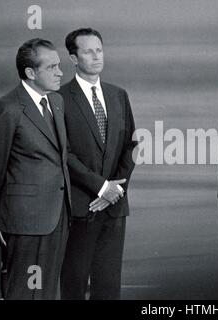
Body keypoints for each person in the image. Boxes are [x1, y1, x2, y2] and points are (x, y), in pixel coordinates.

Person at [0, 38, 71, 299]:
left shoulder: (56, 102)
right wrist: (13, 211)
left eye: (59, 66)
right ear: (30, 73)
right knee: (23, 292)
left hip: (58, 217)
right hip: (25, 222)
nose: (60, 72)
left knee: (46, 292)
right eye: (52, 67)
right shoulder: (8, 108)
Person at [59, 28, 136, 300]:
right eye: (88, 51)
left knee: (108, 287)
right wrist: (101, 187)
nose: (96, 56)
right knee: (74, 284)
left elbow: (131, 146)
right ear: (73, 58)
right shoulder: (59, 98)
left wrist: (114, 191)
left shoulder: (118, 95)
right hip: (80, 207)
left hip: (114, 209)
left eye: (99, 50)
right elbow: (63, 153)